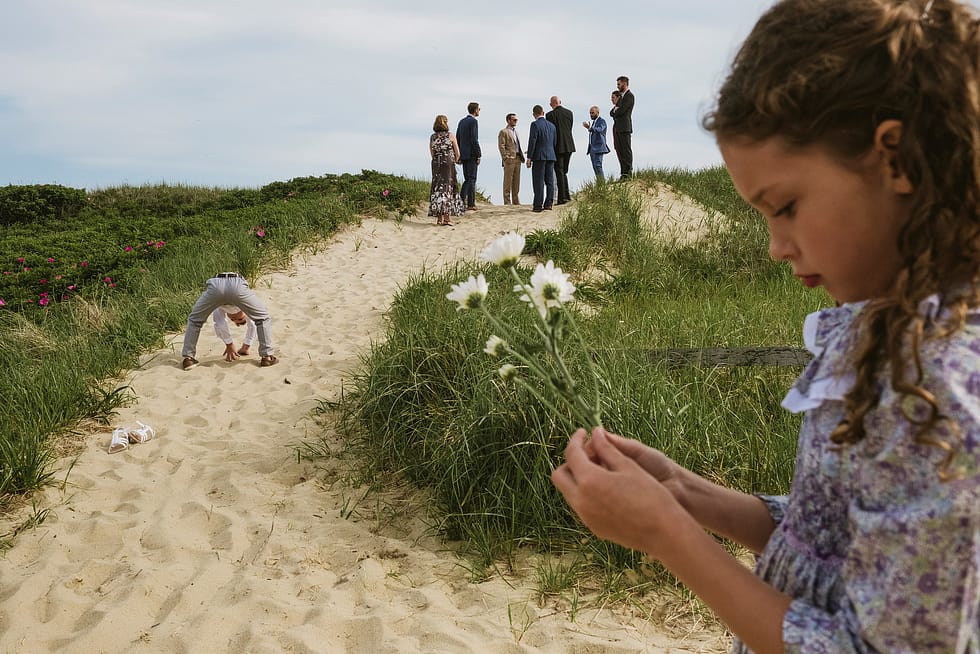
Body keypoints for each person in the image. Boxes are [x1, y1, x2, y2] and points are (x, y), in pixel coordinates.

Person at [552, 0, 980, 651]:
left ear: (896, 159)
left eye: (784, 207)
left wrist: (670, 534)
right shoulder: (895, 337)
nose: (776, 246)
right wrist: (689, 493)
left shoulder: (938, 391)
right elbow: (834, 542)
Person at [181, 273, 277, 369]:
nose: (235, 318)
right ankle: (267, 356)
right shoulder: (244, 308)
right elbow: (254, 323)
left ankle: (188, 358)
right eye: (238, 319)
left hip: (216, 286)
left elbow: (220, 323)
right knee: (262, 318)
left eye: (237, 320)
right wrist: (232, 345)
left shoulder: (227, 308)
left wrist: (234, 345)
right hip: (236, 284)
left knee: (195, 320)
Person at [428, 114, 465, 226]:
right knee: (448, 187)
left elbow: (432, 153)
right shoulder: (450, 136)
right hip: (448, 162)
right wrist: (454, 160)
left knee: (437, 187)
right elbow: (457, 153)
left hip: (436, 163)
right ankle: (447, 218)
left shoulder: (433, 137)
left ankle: (439, 218)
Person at [525, 104, 557, 213]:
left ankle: (538, 205)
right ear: (543, 113)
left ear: (534, 114)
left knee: (538, 181)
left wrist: (529, 157)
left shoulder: (535, 125)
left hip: (539, 156)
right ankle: (549, 203)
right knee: (550, 181)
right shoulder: (552, 126)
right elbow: (554, 142)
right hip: (551, 155)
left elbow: (532, 141)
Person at [546, 96, 576, 204]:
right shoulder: (569, 113)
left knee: (559, 172)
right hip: (569, 145)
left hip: (558, 146)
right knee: (564, 172)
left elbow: (551, 132)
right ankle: (566, 196)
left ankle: (562, 198)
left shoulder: (550, 115)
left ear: (552, 104)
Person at [456, 102, 482, 212]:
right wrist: (478, 154)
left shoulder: (462, 121)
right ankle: (469, 203)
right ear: (475, 110)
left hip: (463, 153)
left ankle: (462, 201)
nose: (479, 111)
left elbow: (458, 138)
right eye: (479, 109)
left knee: (467, 178)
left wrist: (458, 154)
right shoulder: (473, 121)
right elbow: (474, 139)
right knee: (471, 179)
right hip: (471, 154)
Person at [609, 76, 634, 180]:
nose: (618, 86)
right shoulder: (621, 97)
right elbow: (612, 112)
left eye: (619, 84)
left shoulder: (629, 96)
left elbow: (621, 111)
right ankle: (623, 173)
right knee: (620, 151)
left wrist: (616, 111)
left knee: (626, 150)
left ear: (625, 83)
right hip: (618, 128)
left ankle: (628, 173)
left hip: (625, 127)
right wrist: (616, 110)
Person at [497, 113, 525, 205]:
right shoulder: (503, 132)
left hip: (517, 158)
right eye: (514, 120)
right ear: (508, 120)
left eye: (516, 120)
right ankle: (507, 201)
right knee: (508, 181)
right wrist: (505, 157)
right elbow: (501, 146)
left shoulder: (516, 132)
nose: (516, 121)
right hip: (509, 159)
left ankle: (516, 201)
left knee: (517, 181)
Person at [581, 105, 609, 182]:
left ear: (598, 112)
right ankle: (600, 183)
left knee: (598, 165)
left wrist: (590, 128)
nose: (591, 115)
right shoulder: (594, 122)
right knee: (595, 166)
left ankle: (602, 183)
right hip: (592, 148)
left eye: (592, 113)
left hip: (599, 147)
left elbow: (600, 129)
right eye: (590, 113)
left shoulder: (601, 121)